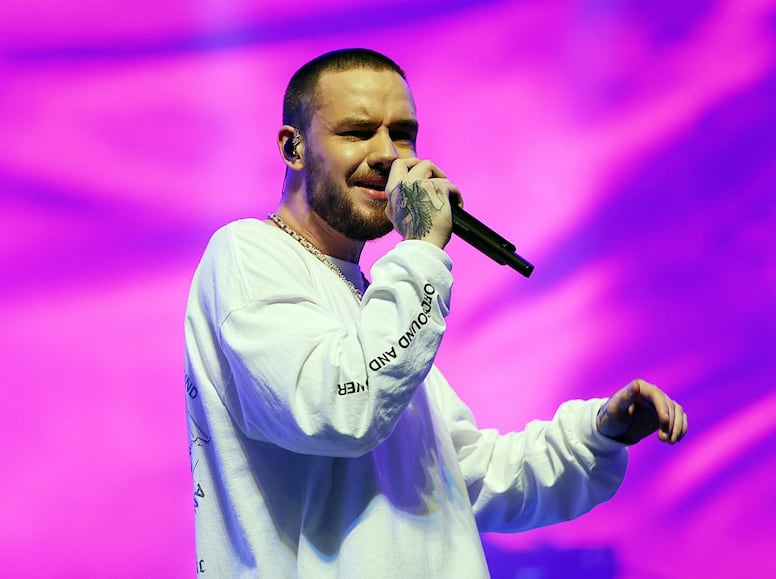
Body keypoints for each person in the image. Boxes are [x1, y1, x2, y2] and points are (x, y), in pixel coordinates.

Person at [183, 48, 687, 578]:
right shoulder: (245, 253)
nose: (388, 156)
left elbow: (462, 477)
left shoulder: (371, 302)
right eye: (357, 132)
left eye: (402, 134)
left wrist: (597, 433)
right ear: (294, 148)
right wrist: (422, 246)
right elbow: (338, 408)